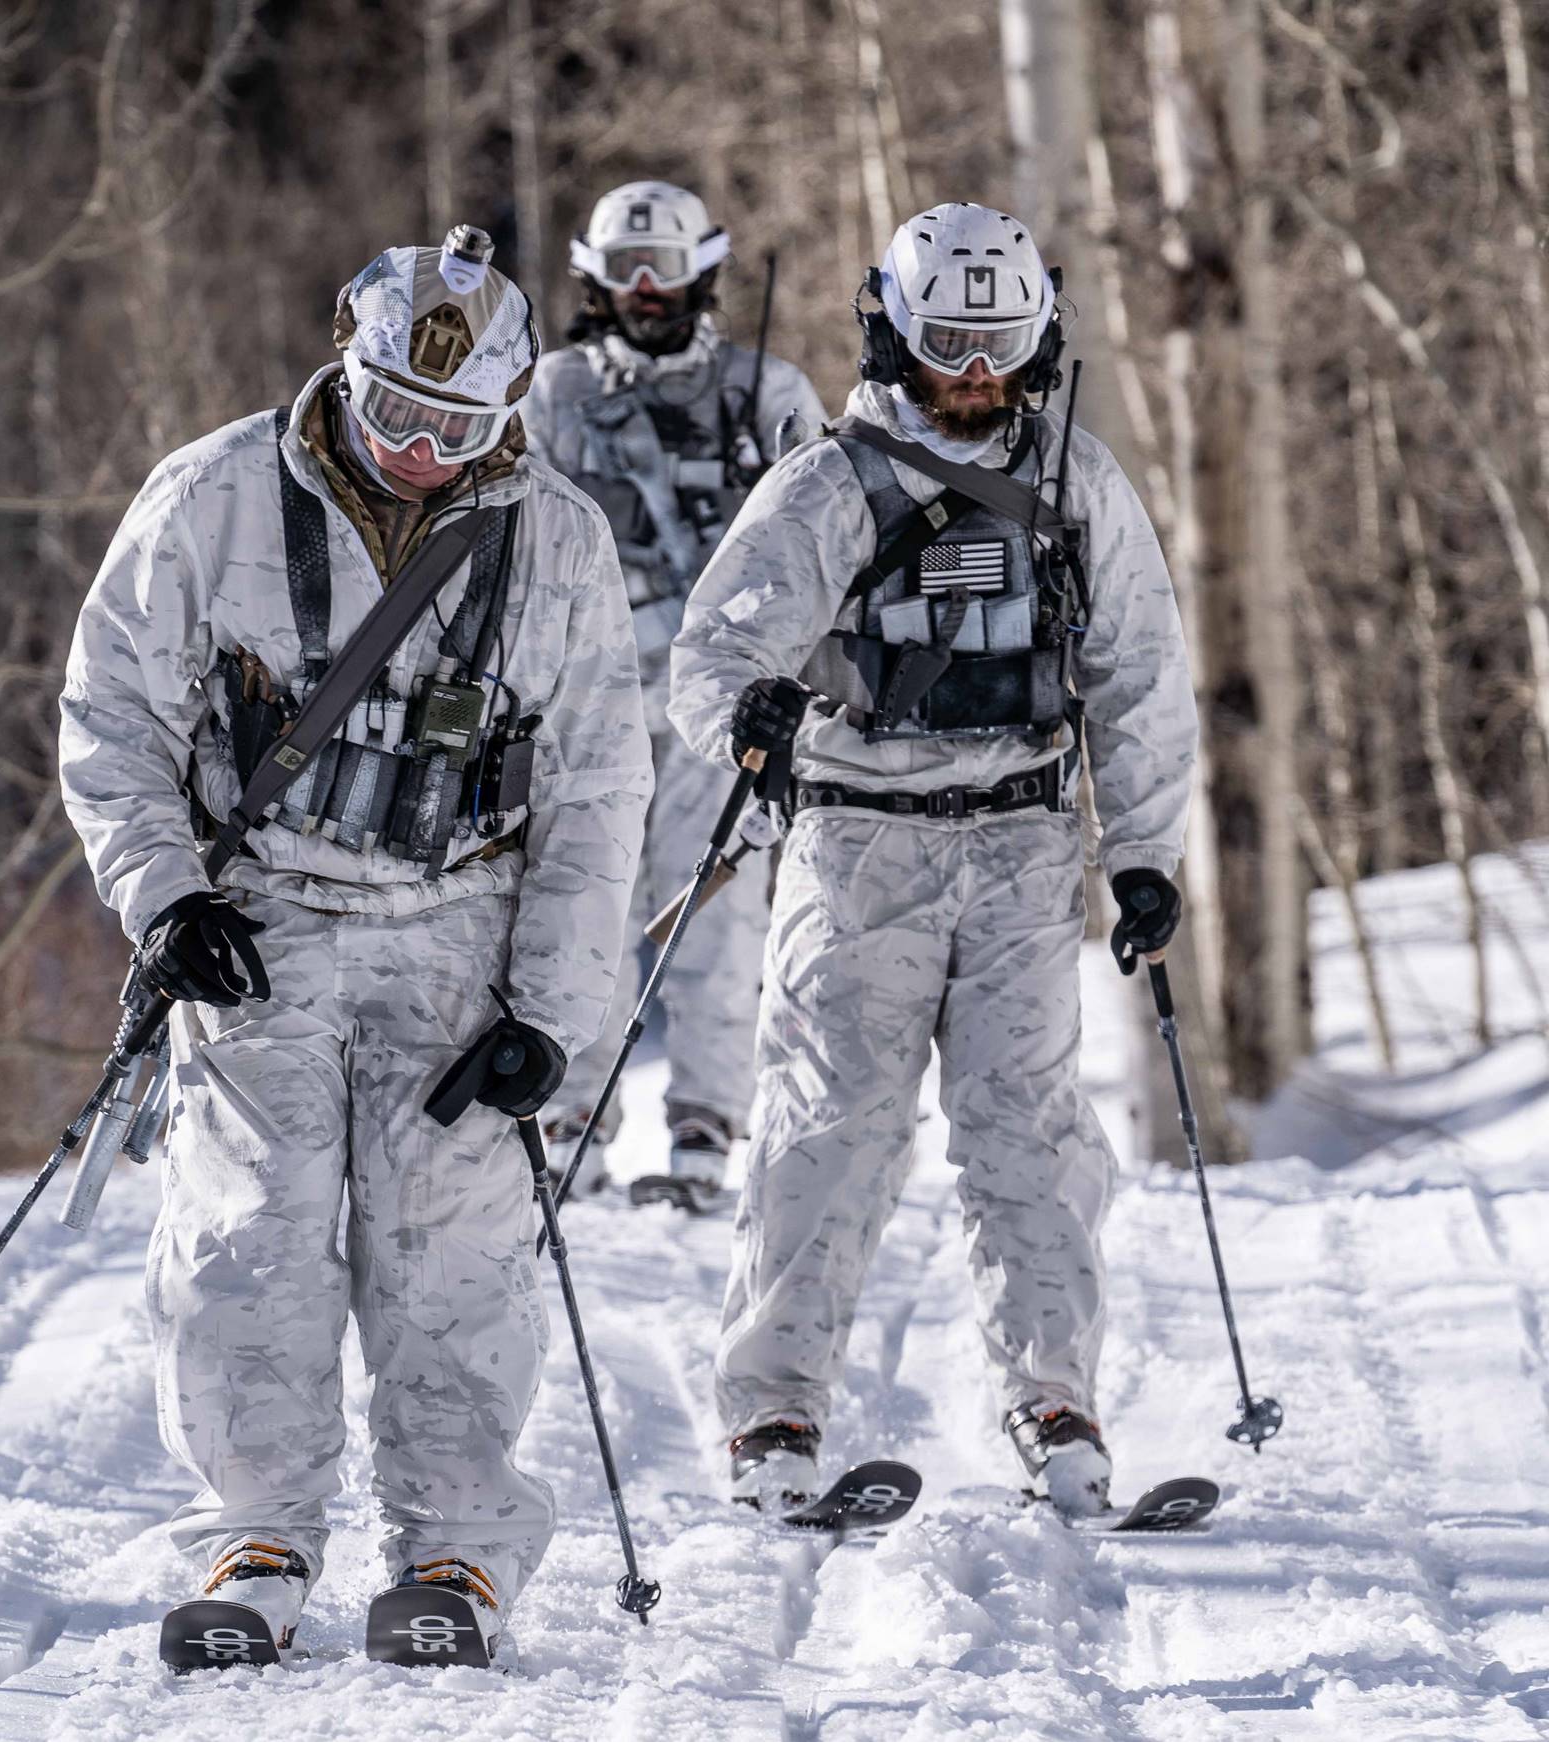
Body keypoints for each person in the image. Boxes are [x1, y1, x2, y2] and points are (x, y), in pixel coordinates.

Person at [58, 226, 650, 1660]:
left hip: (461, 934)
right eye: (397, 410)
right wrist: (167, 899)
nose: (419, 449)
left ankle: (454, 1548)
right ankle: (259, 1532)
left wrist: (555, 1013)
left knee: (449, 1258)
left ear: (509, 413)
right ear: (346, 358)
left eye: (459, 426)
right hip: (263, 922)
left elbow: (597, 787)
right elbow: (113, 717)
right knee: (248, 1241)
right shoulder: (209, 498)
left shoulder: (557, 538)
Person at [668, 202, 1198, 1515]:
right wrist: (751, 715)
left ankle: (1052, 1393)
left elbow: (1141, 676)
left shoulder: (1080, 480)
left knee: (1030, 1136)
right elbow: (708, 656)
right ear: (895, 331)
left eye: (999, 340)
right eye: (949, 338)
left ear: (1039, 336)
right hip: (858, 846)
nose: (974, 370)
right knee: (827, 1132)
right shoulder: (825, 484)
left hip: (1023, 838)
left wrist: (1143, 854)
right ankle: (774, 1412)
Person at [520, 180, 826, 1209]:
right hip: (585, 707)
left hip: (725, 710)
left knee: (720, 917)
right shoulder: (552, 396)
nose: (647, 293)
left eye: (664, 272)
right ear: (594, 281)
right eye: (624, 274)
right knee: (582, 904)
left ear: (704, 274)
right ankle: (570, 1120)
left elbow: (829, 546)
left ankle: (703, 1128)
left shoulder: (768, 393)